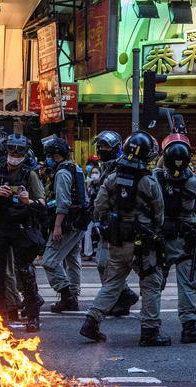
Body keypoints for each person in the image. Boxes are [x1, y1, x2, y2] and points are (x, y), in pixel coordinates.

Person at [79, 131, 169, 346]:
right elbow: (159, 214)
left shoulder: (111, 178)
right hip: (143, 243)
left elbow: (98, 209)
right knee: (151, 284)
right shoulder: (149, 181)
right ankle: (149, 331)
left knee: (112, 284)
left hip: (117, 241)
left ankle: (91, 322)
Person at [0, 133, 46, 332]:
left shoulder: (29, 174)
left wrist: (28, 201)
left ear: (25, 153)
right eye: (12, 149)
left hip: (21, 227)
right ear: (6, 151)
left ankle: (33, 317)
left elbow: (42, 203)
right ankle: (1, 316)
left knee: (25, 271)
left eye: (19, 150)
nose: (15, 154)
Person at [153, 133, 196, 343]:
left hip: (161, 238)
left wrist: (165, 155)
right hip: (186, 238)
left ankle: (150, 326)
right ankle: (189, 328)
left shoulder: (156, 179)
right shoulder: (194, 181)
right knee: (187, 284)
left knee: (154, 284)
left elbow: (161, 170)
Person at [92, 130, 139, 317]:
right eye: (100, 147)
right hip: (107, 222)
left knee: (107, 263)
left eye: (106, 147)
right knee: (104, 264)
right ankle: (123, 296)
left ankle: (121, 297)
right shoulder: (105, 167)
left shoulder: (122, 168)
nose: (102, 150)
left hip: (121, 223)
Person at [41, 135, 87, 313]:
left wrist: (57, 226)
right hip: (79, 222)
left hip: (67, 223)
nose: (47, 159)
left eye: (49, 155)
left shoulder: (62, 173)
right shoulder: (75, 168)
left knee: (49, 261)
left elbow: (63, 202)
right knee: (72, 259)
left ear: (56, 155)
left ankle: (66, 294)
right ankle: (74, 295)